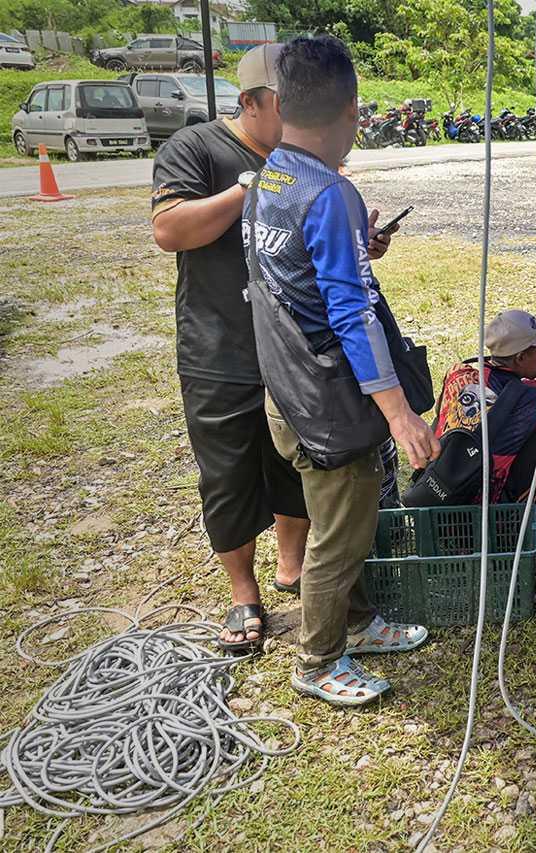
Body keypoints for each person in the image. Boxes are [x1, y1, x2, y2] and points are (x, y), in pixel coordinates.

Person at [246, 35, 438, 706]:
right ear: (353, 112)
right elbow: (351, 314)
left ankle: (357, 624)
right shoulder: (331, 193)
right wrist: (399, 413)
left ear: (282, 104)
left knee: (345, 519)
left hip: (285, 387)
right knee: (339, 532)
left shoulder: (268, 178)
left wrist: (360, 247)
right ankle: (318, 658)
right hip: (325, 398)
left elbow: (299, 277)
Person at [151, 44, 310, 653]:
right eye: (286, 106)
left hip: (288, 343)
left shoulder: (301, 156)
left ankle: (290, 565)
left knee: (295, 459)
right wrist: (251, 188)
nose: (297, 118)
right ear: (249, 103)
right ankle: (244, 592)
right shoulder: (196, 149)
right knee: (227, 473)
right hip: (218, 344)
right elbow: (170, 230)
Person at [431, 310, 536, 502]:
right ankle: (516, 512)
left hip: (437, 481)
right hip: (483, 500)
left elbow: (438, 415)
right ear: (520, 357)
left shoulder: (458, 373)